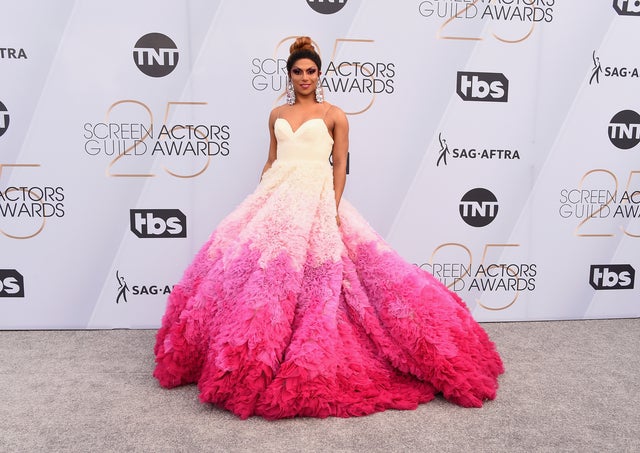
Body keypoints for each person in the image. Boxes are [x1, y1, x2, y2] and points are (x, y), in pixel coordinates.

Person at [153, 36, 503, 420]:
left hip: (317, 196)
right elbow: (271, 161)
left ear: (319, 74)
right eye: (298, 71)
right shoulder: (276, 115)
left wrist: (331, 206)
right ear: (289, 75)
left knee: (329, 275)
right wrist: (260, 201)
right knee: (249, 271)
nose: (305, 77)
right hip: (276, 195)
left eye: (311, 71)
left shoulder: (334, 114)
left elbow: (339, 165)